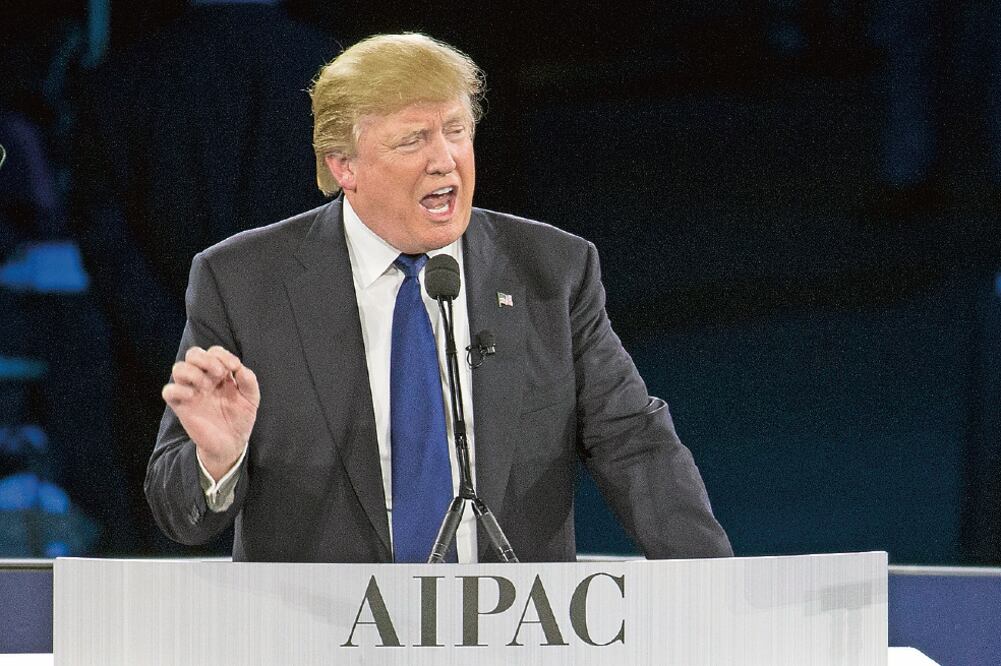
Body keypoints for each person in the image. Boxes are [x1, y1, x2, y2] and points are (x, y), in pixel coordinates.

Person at [145, 33, 732, 563]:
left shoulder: (552, 272)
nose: (444, 159)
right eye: (413, 140)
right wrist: (217, 464)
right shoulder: (244, 282)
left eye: (456, 130)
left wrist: (717, 597)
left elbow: (633, 444)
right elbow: (177, 513)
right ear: (344, 165)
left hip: (509, 634)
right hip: (318, 637)